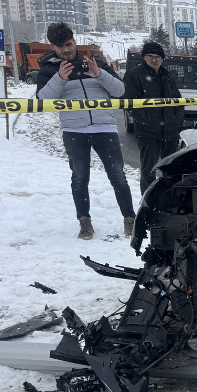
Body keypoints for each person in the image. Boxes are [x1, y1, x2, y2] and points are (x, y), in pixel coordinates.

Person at [35, 22, 135, 240]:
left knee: (118, 176)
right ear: (53, 47)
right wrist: (59, 78)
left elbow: (119, 91)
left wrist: (99, 74)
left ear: (74, 41)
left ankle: (130, 220)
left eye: (69, 44)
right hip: (74, 131)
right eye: (60, 46)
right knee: (80, 178)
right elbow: (43, 101)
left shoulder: (96, 63)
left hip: (105, 129)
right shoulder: (49, 69)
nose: (67, 50)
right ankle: (85, 223)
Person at [122, 42, 184, 193]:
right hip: (148, 132)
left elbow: (179, 101)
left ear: (162, 59)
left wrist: (176, 120)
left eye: (157, 57)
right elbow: (130, 103)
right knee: (148, 171)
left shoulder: (167, 76)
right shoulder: (134, 75)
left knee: (170, 170)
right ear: (144, 57)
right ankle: (148, 203)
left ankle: (169, 201)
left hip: (169, 131)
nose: (154, 60)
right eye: (150, 56)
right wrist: (147, 121)